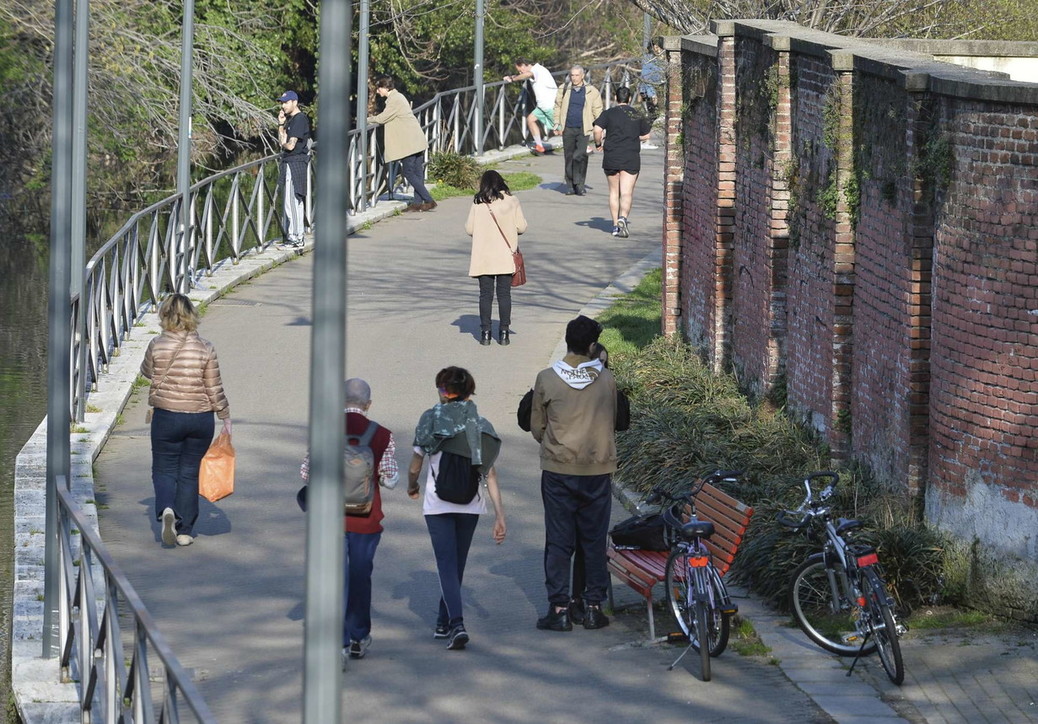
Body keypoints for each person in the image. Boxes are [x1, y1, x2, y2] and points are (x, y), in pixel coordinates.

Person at [298, 378, 399, 669]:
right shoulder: (382, 435)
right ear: (368, 404)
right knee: (359, 576)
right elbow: (390, 480)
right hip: (366, 519)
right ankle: (358, 636)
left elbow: (306, 474)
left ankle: (338, 642)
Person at [408, 367, 507, 651]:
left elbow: (416, 463)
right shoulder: (481, 424)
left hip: (437, 504)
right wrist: (500, 515)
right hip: (471, 504)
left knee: (446, 565)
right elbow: (490, 474)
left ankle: (456, 624)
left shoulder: (430, 419)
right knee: (457, 564)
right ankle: (443, 620)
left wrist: (412, 485)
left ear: (443, 390)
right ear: (469, 391)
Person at [530, 316, 617, 632]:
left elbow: (537, 426)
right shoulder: (606, 379)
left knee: (559, 540)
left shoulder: (547, 379)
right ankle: (592, 606)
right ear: (593, 346)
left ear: (567, 341)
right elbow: (615, 417)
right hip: (597, 469)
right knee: (593, 540)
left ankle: (559, 608)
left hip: (559, 469)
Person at [141, 293, 231, 547]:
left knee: (164, 467)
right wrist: (224, 415)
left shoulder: (156, 344)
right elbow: (214, 386)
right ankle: (185, 531)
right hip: (200, 418)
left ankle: (167, 509)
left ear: (164, 316)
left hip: (167, 416)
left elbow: (146, 372)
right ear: (192, 315)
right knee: (189, 472)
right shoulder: (206, 347)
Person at [465, 170, 529, 346]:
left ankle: (485, 333)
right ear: (501, 182)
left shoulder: (478, 202)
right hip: (505, 257)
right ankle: (504, 333)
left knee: (485, 295)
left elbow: (469, 229)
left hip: (483, 257)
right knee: (504, 295)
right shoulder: (512, 201)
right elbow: (521, 227)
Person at [368, 77, 436, 212]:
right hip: (416, 139)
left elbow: (383, 118)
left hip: (409, 143)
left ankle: (428, 200)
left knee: (408, 172)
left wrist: (368, 120)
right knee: (417, 172)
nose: (378, 92)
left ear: (385, 88)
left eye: (379, 89)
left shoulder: (394, 100)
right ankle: (417, 203)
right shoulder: (399, 97)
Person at [592, 86, 652, 239]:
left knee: (613, 192)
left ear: (615, 97)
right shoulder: (636, 114)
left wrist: (598, 144)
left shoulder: (608, 113)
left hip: (612, 155)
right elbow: (646, 135)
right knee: (626, 192)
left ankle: (614, 226)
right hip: (630, 156)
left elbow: (597, 130)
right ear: (629, 97)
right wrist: (633, 136)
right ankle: (622, 219)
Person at [553, 66, 603, 196]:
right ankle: (570, 185)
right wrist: (557, 123)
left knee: (580, 156)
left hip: (583, 128)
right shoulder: (564, 89)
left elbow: (597, 109)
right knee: (569, 156)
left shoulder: (591, 91)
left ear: (582, 76)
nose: (574, 78)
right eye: (572, 75)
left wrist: (600, 126)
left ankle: (579, 184)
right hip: (568, 127)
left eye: (576, 75)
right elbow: (557, 106)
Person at [277, 90, 311, 249]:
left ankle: (297, 237)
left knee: (293, 200)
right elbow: (282, 141)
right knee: (289, 201)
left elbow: (290, 145)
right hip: (289, 162)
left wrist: (285, 144)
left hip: (295, 162)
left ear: (294, 102)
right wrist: (281, 124)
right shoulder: (290, 120)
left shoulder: (299, 119)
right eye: (282, 103)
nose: (283, 105)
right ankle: (293, 236)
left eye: (286, 102)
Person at [504, 59, 558, 154]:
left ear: (524, 65)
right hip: (542, 105)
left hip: (549, 105)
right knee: (530, 120)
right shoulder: (539, 69)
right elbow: (526, 75)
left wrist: (513, 79)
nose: (520, 72)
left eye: (520, 70)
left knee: (562, 130)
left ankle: (583, 147)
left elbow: (527, 75)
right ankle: (539, 146)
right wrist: (512, 76)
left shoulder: (535, 70)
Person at [638, 41, 665, 133]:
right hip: (651, 90)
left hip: (659, 88)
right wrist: (652, 94)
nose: (658, 49)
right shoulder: (648, 59)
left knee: (656, 116)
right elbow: (646, 77)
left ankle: (646, 135)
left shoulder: (662, 58)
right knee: (653, 115)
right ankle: (645, 135)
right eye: (656, 47)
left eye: (659, 47)